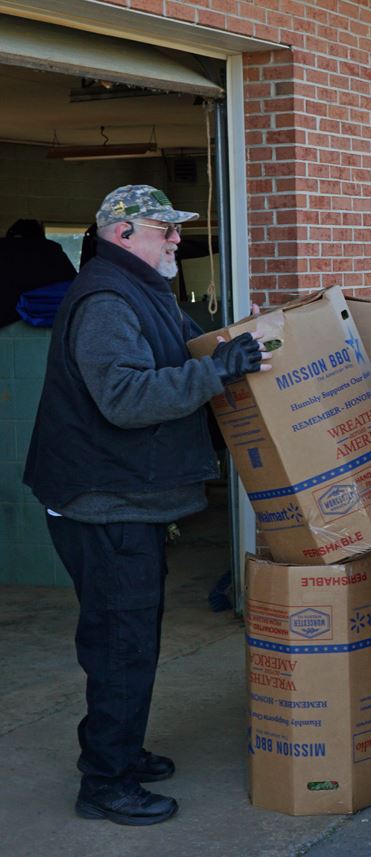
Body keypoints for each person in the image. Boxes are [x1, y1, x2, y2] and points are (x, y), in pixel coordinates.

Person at [23, 185, 273, 826]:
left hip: (127, 497)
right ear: (124, 233)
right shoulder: (107, 299)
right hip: (103, 503)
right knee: (121, 646)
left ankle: (120, 752)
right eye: (164, 228)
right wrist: (218, 372)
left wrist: (236, 350)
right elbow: (126, 398)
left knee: (129, 638)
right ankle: (106, 782)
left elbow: (190, 351)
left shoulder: (146, 292)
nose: (175, 239)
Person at [0, 217, 77, 327]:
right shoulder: (51, 249)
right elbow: (72, 284)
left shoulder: (3, 249)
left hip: (4, 320)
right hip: (44, 320)